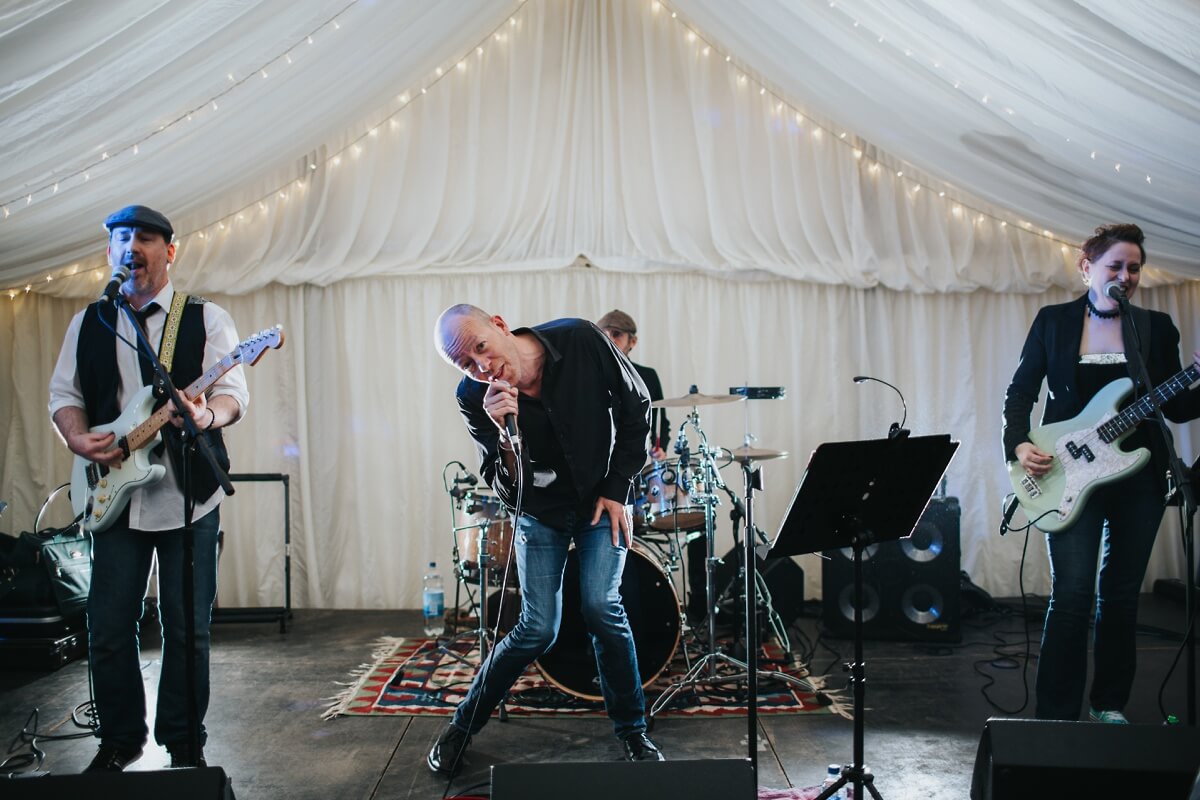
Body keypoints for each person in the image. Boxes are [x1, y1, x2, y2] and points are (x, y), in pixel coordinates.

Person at [49, 205, 249, 771]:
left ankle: (185, 743)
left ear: (169, 250)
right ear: (109, 253)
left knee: (189, 630)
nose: (128, 247)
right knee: (109, 626)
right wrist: (78, 440)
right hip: (112, 498)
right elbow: (62, 396)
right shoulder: (90, 320)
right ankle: (119, 742)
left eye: (141, 237)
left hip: (188, 495)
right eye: (119, 239)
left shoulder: (205, 317)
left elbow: (234, 391)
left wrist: (207, 416)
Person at [429, 304, 664, 775]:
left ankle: (633, 731)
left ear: (498, 324)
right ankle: (461, 726)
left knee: (602, 606)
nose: (482, 366)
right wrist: (505, 439)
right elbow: (508, 487)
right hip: (541, 514)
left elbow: (638, 409)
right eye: (466, 364)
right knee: (537, 628)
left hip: (602, 498)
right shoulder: (472, 396)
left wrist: (618, 488)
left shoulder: (580, 340)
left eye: (481, 348)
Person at [1002, 223, 1200, 722]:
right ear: (1087, 267)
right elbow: (1020, 392)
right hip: (1067, 473)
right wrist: (1019, 444)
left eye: (1134, 267)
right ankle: (1055, 714)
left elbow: (1174, 408)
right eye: (1115, 266)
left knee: (1120, 597)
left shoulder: (1154, 328)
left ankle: (1108, 705)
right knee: (1071, 596)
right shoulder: (1054, 321)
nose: (1126, 275)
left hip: (1140, 477)